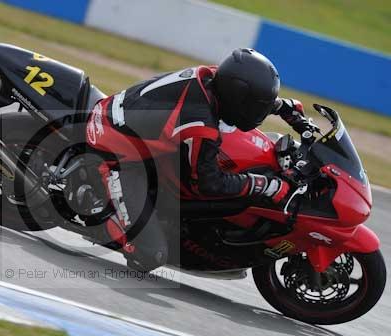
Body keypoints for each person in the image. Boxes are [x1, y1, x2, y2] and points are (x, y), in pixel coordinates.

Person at [85, 48, 319, 271]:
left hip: (140, 138)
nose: (258, 112)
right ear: (238, 97)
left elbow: (246, 96)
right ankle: (101, 214)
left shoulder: (213, 78)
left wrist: (287, 110)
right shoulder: (200, 123)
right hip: (118, 155)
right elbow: (209, 183)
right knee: (151, 255)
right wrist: (267, 185)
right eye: (255, 106)